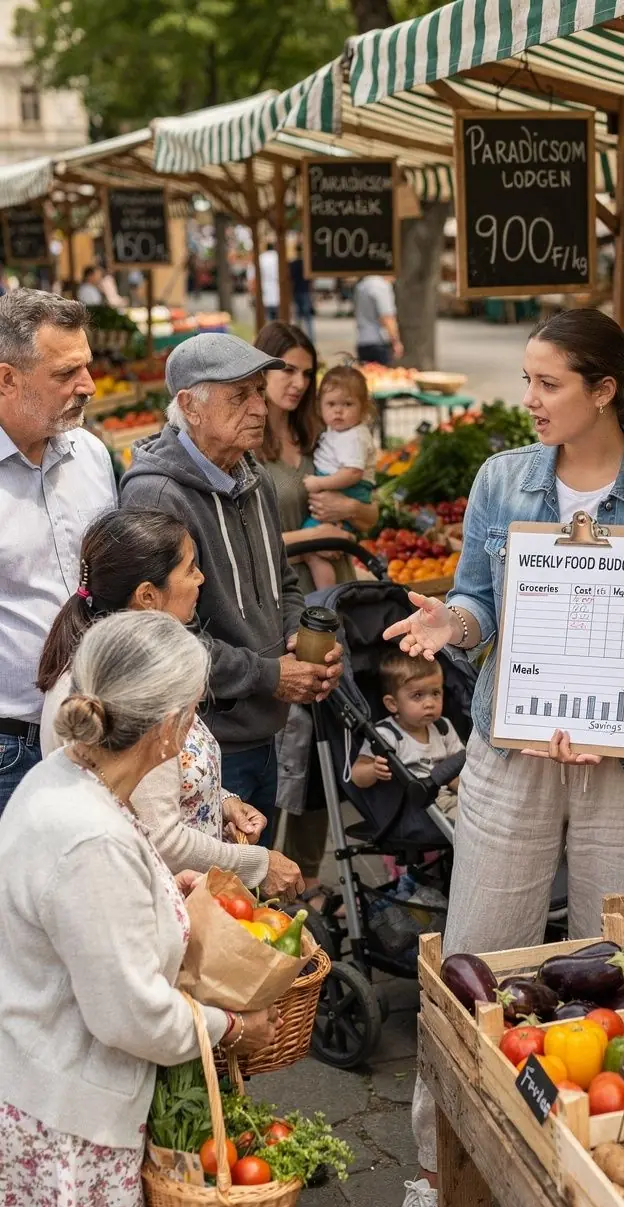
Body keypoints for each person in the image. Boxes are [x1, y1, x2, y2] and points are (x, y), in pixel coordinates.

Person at [379, 308, 624, 1207]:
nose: (527, 399)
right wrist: (452, 623)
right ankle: (435, 1172)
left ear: (603, 390)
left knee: (610, 970)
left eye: (547, 383)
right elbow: (480, 603)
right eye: (526, 379)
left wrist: (614, 704)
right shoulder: (503, 479)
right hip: (515, 749)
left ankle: (594, 1164)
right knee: (476, 955)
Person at [0, 609, 280, 1207]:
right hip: (73, 1122)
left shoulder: (64, 780)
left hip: (36, 1089)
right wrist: (231, 1028)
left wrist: (174, 904)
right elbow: (129, 1013)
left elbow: (100, 933)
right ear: (167, 728)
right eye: (194, 710)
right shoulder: (88, 836)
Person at [120, 332, 343, 846]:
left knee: (257, 881)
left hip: (266, 728)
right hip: (203, 744)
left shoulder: (252, 476)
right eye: (239, 395)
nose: (260, 407)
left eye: (259, 391)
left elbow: (284, 580)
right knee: (218, 886)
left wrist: (300, 638)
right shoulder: (157, 494)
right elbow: (163, 639)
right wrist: (270, 675)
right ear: (189, 406)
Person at [38, 510, 304, 904]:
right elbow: (161, 837)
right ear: (148, 595)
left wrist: (221, 801)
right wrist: (259, 864)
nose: (201, 578)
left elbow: (158, 786)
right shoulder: (130, 685)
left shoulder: (119, 660)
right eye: (190, 568)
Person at [255, 320, 378, 900]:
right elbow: (245, 545)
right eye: (286, 368)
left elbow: (370, 516)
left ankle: (306, 872)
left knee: (327, 732)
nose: (298, 382)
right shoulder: (247, 445)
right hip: (280, 605)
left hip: (332, 595)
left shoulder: (324, 436)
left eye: (307, 372)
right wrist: (309, 538)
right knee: (288, 739)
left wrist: (350, 514)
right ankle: (263, 871)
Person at [0, 288, 116, 817]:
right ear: (7, 379)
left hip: (96, 731)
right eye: (66, 373)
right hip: (10, 747)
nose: (87, 385)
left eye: (87, 366)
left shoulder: (90, 454)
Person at [351, 652, 463, 819]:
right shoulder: (385, 735)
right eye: (418, 695)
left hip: (447, 801)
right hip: (413, 810)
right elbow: (356, 775)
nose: (429, 703)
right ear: (392, 703)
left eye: (435, 693)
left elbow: (458, 768)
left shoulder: (442, 727)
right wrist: (373, 770)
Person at [302, 365, 377, 589]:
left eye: (347, 404)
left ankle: (325, 594)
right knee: (315, 547)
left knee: (311, 547)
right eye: (331, 404)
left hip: (349, 488)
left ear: (364, 408)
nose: (338, 411)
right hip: (341, 487)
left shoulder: (354, 436)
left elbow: (353, 473)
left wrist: (319, 483)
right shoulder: (337, 432)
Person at [354, 275, 403, 366]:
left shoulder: (362, 285)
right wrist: (396, 341)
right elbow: (387, 317)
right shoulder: (382, 286)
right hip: (379, 341)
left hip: (362, 340)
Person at [248, 241, 280, 322]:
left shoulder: (261, 258)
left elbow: (252, 277)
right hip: (278, 292)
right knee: (277, 320)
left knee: (266, 319)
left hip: (264, 292)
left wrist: (252, 292)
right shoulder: (279, 258)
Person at [289, 243, 314, 340]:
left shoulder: (293, 264)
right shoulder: (306, 264)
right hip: (305, 291)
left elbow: (290, 280)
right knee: (308, 317)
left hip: (296, 291)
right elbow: (310, 280)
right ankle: (311, 338)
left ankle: (298, 338)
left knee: (298, 317)